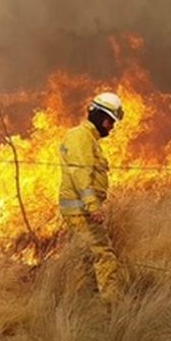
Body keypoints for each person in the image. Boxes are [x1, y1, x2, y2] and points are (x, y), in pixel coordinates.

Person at [58, 91, 124, 304]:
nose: (111, 127)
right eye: (109, 121)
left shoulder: (87, 139)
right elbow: (80, 172)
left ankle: (82, 304)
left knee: (85, 258)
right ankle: (112, 308)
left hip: (80, 210)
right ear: (99, 116)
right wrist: (92, 206)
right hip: (82, 212)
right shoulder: (80, 137)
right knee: (104, 256)